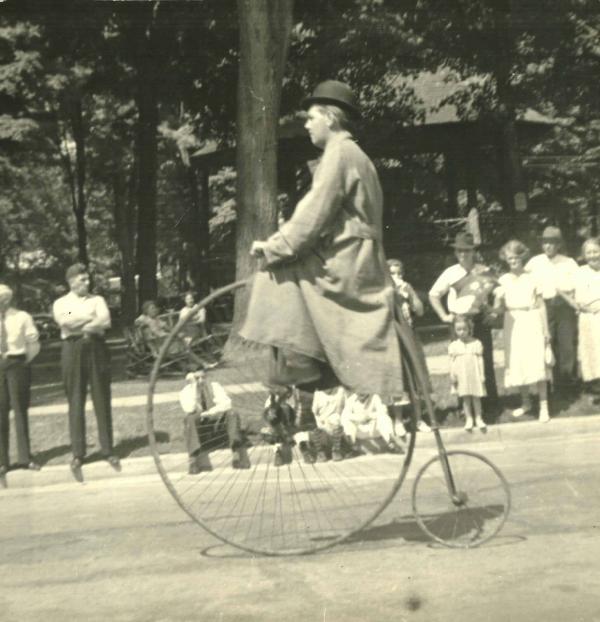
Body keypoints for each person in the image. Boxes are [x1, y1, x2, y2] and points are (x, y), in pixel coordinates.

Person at [240, 80, 404, 405]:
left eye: (311, 117)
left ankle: (301, 368)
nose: (306, 124)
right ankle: (310, 361)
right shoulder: (356, 154)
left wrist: (273, 247)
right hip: (360, 259)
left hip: (346, 263)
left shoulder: (338, 154)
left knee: (273, 275)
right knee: (288, 272)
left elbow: (313, 214)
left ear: (330, 118)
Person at [53, 263, 120, 481]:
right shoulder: (64, 303)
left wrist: (82, 323)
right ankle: (78, 454)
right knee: (75, 400)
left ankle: (108, 450)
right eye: (82, 279)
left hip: (97, 349)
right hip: (72, 350)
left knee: (102, 397)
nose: (87, 282)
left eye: (87, 279)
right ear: (71, 281)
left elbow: (106, 321)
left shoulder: (97, 300)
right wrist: (91, 320)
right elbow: (65, 321)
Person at [429, 232, 498, 401]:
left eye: (466, 251)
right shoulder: (450, 273)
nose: (463, 254)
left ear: (473, 251)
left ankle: (489, 403)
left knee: (484, 360)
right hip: (459, 322)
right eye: (459, 251)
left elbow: (499, 292)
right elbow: (433, 295)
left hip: (479, 320)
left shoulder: (484, 271)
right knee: (460, 362)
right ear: (455, 253)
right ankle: (464, 404)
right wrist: (444, 316)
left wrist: (494, 312)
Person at [494, 240, 552, 423]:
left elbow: (542, 305)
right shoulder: (502, 280)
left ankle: (544, 406)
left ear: (522, 257)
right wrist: (497, 300)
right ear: (506, 259)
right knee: (518, 362)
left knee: (537, 361)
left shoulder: (533, 278)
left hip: (531, 319)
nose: (513, 261)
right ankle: (526, 403)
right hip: (513, 322)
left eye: (516, 257)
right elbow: (497, 310)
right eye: (509, 258)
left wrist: (546, 330)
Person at [525, 226, 579, 393]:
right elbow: (525, 283)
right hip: (543, 306)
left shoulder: (569, 262)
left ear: (559, 245)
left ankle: (567, 385)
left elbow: (577, 287)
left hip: (564, 308)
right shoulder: (534, 262)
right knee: (546, 344)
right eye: (545, 242)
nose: (548, 246)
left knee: (566, 346)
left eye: (552, 243)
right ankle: (548, 386)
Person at [0, 284, 41, 484]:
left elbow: (34, 342)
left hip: (17, 364)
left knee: (20, 410)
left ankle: (25, 458)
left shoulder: (21, 317)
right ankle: (2, 461)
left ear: (7, 299)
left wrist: (24, 361)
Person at [179, 369, 249, 473]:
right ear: (191, 379)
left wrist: (211, 412)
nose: (201, 381)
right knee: (189, 419)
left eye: (203, 377)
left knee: (232, 413)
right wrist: (194, 387)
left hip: (217, 424)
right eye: (197, 378)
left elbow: (226, 404)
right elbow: (189, 409)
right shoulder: (186, 391)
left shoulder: (215, 386)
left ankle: (236, 454)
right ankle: (193, 460)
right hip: (199, 430)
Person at [561, 238, 600, 396]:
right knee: (592, 351)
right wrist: (576, 305)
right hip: (587, 317)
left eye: (596, 251)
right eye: (589, 252)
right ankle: (596, 387)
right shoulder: (580, 272)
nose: (593, 255)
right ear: (584, 255)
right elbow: (562, 290)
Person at [448, 315, 486, 431]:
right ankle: (469, 418)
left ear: (469, 328)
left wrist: (482, 374)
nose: (462, 332)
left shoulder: (476, 343)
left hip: (474, 373)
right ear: (455, 331)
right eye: (458, 330)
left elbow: (480, 360)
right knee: (465, 397)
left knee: (476, 396)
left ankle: (479, 418)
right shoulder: (454, 346)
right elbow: (451, 362)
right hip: (461, 374)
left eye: (464, 329)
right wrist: (452, 375)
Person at [311, 386, 347, 461]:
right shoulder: (318, 393)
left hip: (335, 420)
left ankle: (336, 451)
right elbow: (314, 412)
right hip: (322, 421)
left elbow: (345, 408)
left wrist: (339, 418)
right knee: (313, 428)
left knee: (336, 422)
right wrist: (319, 421)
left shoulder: (340, 391)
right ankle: (321, 453)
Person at [387, 258, 424, 327]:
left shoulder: (406, 287)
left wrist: (410, 293)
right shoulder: (383, 290)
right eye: (392, 273)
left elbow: (420, 312)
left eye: (400, 273)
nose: (397, 276)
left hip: (406, 326)